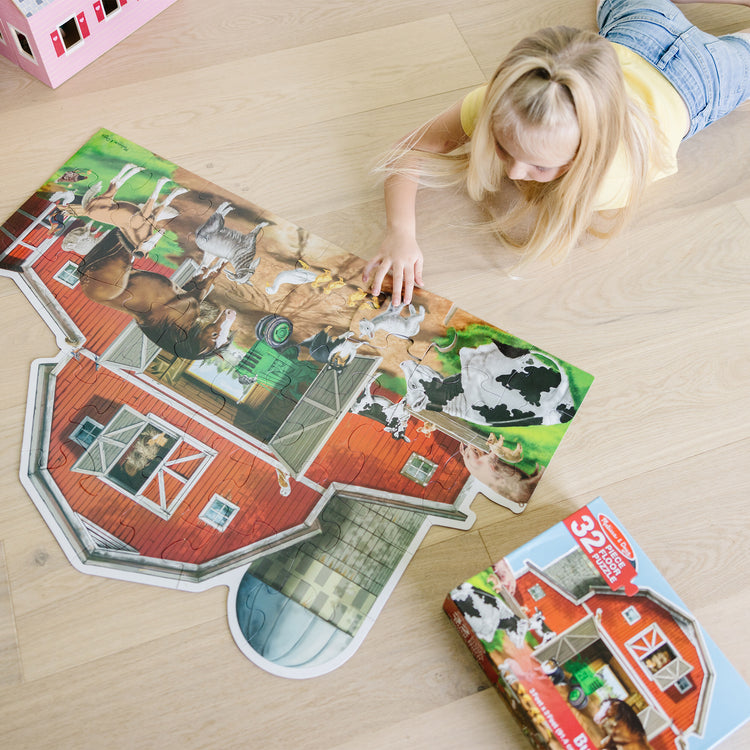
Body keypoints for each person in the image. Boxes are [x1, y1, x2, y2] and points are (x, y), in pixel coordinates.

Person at [363, 0, 750, 305]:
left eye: (541, 165)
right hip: (643, 32)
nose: (514, 173)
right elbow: (410, 147)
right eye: (502, 145)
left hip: (703, 80)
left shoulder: (611, 180)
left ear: (587, 157)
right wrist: (401, 232)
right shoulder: (507, 103)